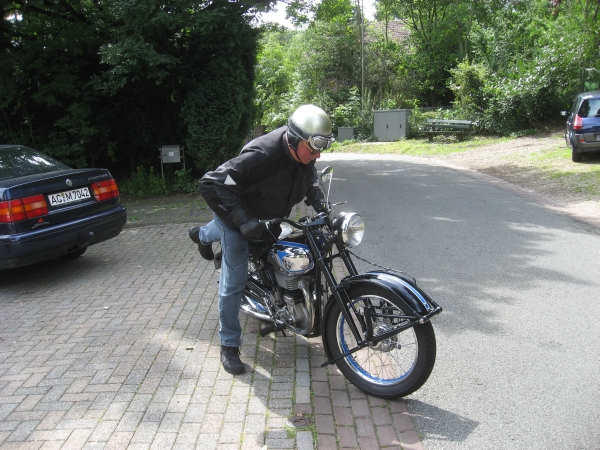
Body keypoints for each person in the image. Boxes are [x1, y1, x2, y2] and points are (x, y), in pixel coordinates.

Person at [189, 104, 334, 374]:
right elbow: (211, 183)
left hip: (268, 215)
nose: (317, 155)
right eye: (313, 149)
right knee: (235, 279)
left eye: (320, 149)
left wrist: (322, 206)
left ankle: (200, 235)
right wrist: (244, 221)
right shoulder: (262, 155)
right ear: (294, 139)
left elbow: (310, 179)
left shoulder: (304, 154)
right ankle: (229, 345)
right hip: (236, 213)